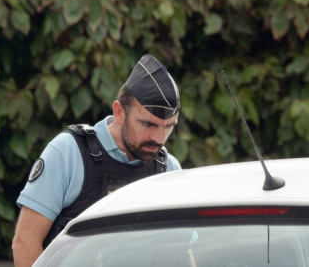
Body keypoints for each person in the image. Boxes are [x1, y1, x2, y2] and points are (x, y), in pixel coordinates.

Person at [12, 54, 183, 267]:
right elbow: (25, 243)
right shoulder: (68, 152)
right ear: (119, 112)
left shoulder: (168, 169)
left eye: (168, 127)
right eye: (148, 124)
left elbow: (180, 250)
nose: (158, 139)